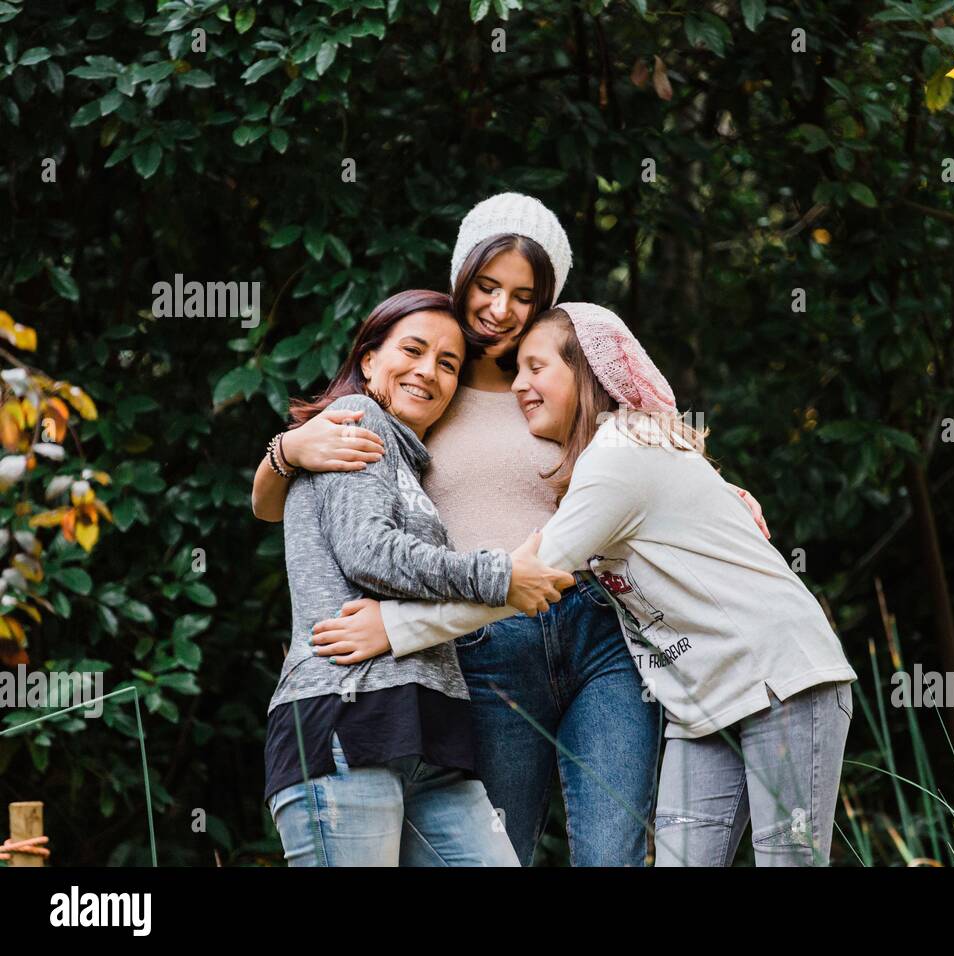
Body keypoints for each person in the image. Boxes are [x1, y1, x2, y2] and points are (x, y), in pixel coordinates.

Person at [252, 193, 768, 866]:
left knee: (612, 852)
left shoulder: (559, 376)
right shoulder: (423, 376)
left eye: (523, 295)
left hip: (596, 627)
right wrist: (286, 451)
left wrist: (721, 492)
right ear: (462, 275)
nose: (500, 309)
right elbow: (286, 503)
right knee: (509, 848)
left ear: (546, 299)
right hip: (481, 636)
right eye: (487, 285)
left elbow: (646, 453)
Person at [314, 302, 859, 866]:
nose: (519, 385)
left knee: (787, 859)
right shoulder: (606, 463)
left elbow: (527, 579)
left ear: (585, 373)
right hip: (701, 703)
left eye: (535, 367)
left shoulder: (622, 456)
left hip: (781, 677)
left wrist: (396, 626)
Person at [262, 288, 570, 866]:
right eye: (414, 349)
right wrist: (499, 576)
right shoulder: (355, 423)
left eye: (448, 364)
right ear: (370, 359)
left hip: (429, 736)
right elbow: (369, 552)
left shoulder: (409, 460)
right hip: (347, 722)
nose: (429, 371)